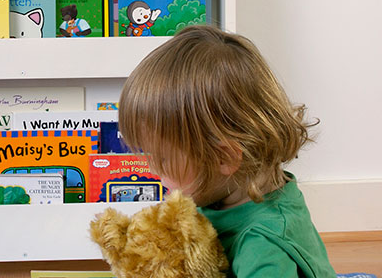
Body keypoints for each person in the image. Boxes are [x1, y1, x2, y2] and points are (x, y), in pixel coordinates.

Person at [118, 25, 336, 277]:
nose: (153, 170)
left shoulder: (263, 249)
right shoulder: (222, 191)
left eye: (163, 159)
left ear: (224, 157)